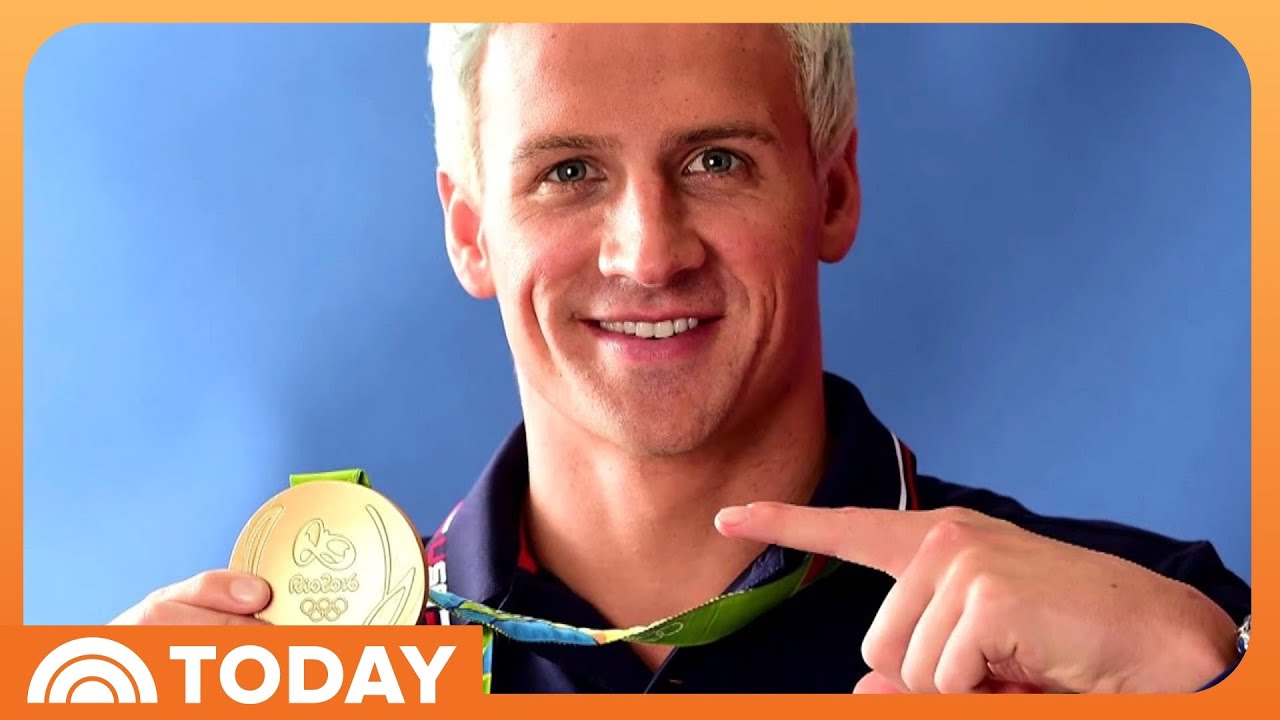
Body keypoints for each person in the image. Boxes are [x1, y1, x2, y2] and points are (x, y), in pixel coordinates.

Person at [111, 23, 1251, 694]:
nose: (649, 253)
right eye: (567, 172)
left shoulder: (1162, 632)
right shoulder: (286, 680)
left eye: (715, 161)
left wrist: (1220, 686)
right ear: (470, 232)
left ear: (833, 194)